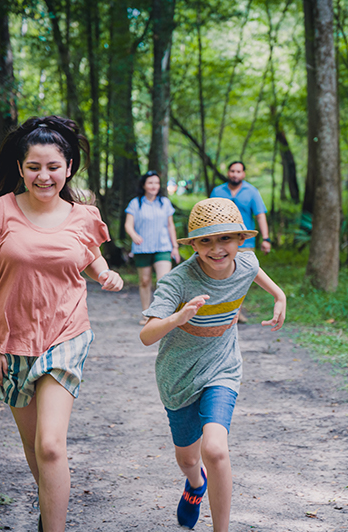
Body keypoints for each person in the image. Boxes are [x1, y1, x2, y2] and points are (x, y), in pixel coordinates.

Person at [0, 115, 123, 532]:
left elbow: (89, 257)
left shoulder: (83, 216)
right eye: (34, 166)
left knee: (50, 446)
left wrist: (104, 274)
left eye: (53, 166)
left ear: (68, 168)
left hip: (66, 336)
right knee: (35, 449)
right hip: (10, 343)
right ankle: (49, 506)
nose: (43, 175)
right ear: (20, 169)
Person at [139, 198, 286, 532]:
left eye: (225, 239)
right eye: (206, 240)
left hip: (223, 368)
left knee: (216, 450)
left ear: (240, 240)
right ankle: (195, 484)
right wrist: (178, 317)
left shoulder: (246, 262)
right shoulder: (178, 282)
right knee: (189, 460)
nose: (217, 249)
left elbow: (257, 272)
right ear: (193, 245)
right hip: (178, 377)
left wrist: (280, 297)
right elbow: (147, 336)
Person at [124, 170, 181, 323]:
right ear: (144, 185)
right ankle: (145, 314)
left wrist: (175, 246)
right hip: (142, 248)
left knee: (163, 280)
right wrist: (134, 235)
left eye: (156, 183)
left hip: (163, 247)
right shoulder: (136, 203)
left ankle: (161, 313)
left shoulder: (165, 203)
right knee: (144, 281)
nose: (154, 186)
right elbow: (128, 225)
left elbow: (170, 226)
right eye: (150, 182)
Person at [210, 161, 271, 254]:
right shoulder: (217, 192)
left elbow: (260, 215)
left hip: (245, 244)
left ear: (243, 174)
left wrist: (266, 239)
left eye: (238, 172)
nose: (235, 174)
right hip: (220, 242)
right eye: (232, 171)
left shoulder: (252, 191)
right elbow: (209, 216)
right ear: (228, 173)